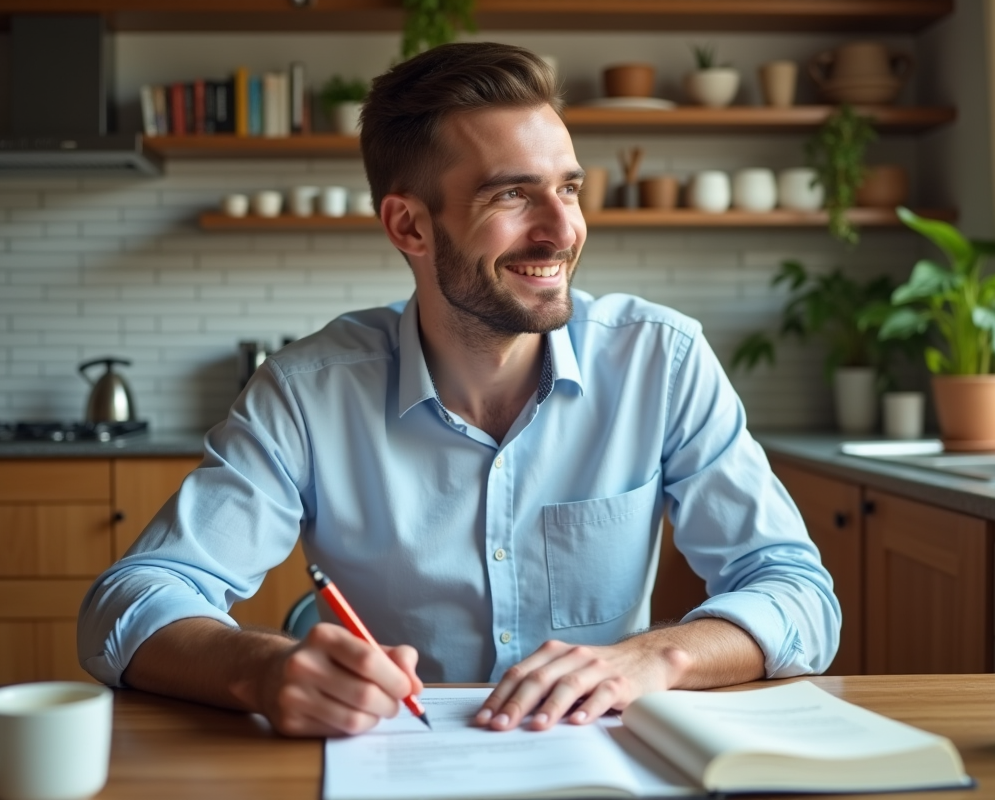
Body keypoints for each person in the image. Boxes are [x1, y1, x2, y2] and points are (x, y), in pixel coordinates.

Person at [78, 42, 839, 738]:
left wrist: (653, 660)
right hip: (386, 761)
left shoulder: (660, 361)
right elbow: (131, 600)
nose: (560, 230)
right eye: (513, 196)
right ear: (409, 226)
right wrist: (264, 670)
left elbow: (796, 592)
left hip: (596, 761)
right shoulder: (307, 393)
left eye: (568, 189)